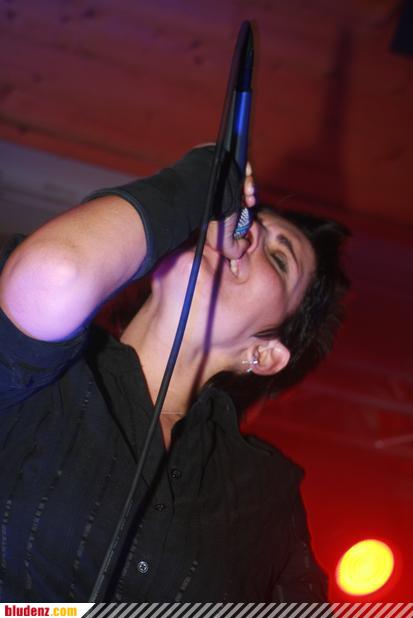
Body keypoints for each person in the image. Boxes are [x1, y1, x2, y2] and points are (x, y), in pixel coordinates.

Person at [0, 146, 349, 602]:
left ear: (264, 353)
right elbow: (55, 275)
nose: (245, 235)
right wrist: (200, 180)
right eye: (247, 221)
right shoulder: (50, 376)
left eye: (280, 259)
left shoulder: (264, 496)